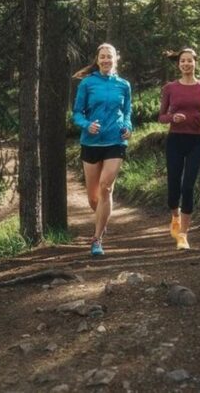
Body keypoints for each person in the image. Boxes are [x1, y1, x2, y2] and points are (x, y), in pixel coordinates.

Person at [72, 43, 133, 257]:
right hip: (91, 142)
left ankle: (97, 239)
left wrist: (128, 127)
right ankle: (102, 219)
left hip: (115, 141)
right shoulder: (88, 83)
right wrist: (87, 124)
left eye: (110, 56)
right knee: (93, 198)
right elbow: (77, 113)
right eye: (103, 57)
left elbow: (127, 111)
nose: (106, 60)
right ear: (98, 60)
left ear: (117, 59)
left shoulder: (124, 84)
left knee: (106, 188)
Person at [158, 47, 200, 250]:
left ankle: (183, 234)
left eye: (189, 61)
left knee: (188, 186)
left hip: (195, 141)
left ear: (195, 62)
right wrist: (172, 118)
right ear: (178, 64)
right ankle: (174, 216)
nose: (186, 64)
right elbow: (161, 116)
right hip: (175, 140)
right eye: (182, 61)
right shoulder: (170, 88)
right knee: (174, 185)